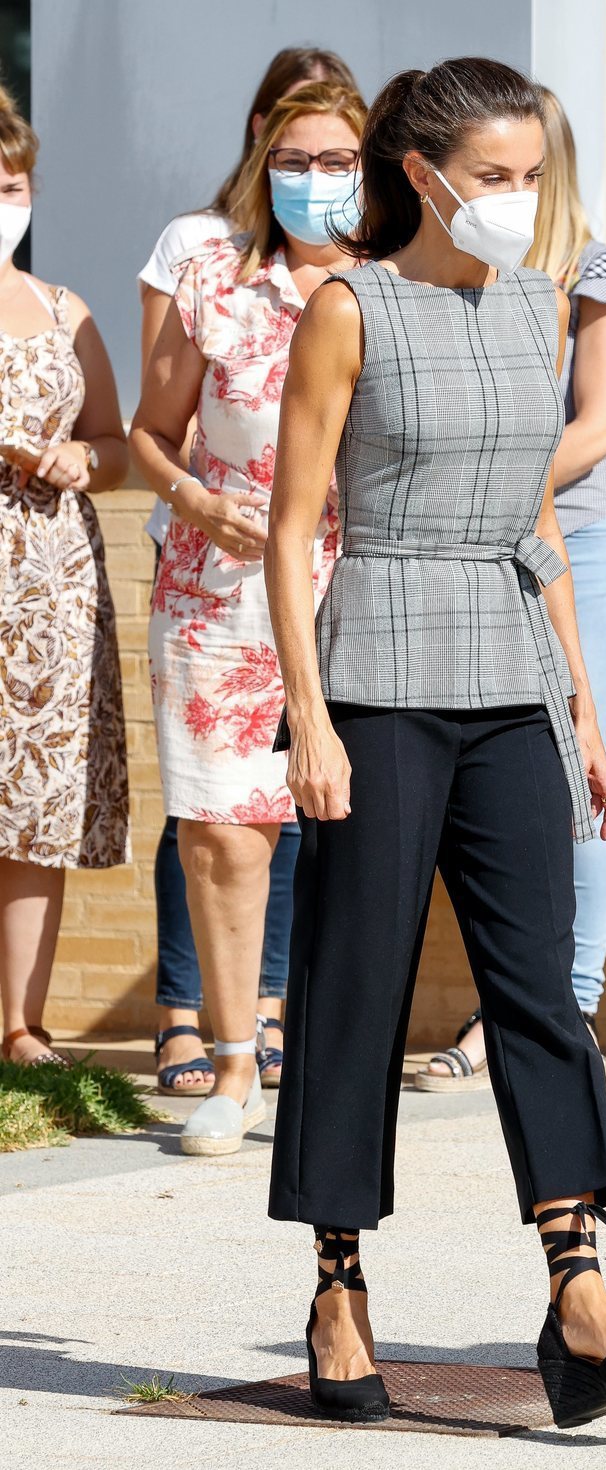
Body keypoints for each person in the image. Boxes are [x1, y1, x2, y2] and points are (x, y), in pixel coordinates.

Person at [264, 57, 606, 1429]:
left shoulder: (529, 310)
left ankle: (580, 1294)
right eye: (495, 178)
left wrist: (581, 699)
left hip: (510, 665)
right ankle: (338, 1282)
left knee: (537, 992)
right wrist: (311, 718)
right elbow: (290, 529)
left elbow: (538, 519)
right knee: (356, 984)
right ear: (422, 176)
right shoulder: (348, 306)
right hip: (378, 670)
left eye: (532, 178)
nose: (519, 201)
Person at [415, 86, 606, 1089]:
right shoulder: (451, 268)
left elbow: (597, 424)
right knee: (491, 787)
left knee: (579, 775)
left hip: (582, 542)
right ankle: (514, 1000)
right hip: (464, 548)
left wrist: (489, 478)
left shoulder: (604, 266)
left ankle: (556, 1011)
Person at [130, 78, 365, 1153]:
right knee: (224, 836)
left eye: (336, 160)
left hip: (355, 585)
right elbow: (148, 432)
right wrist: (193, 498)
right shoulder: (212, 275)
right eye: (296, 158)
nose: (315, 180)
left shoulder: (392, 281)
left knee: (354, 831)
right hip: (218, 596)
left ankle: (326, 1061)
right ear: (260, 163)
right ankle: (232, 1069)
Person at [0, 86, 130, 1064]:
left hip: (48, 586)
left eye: (13, 181)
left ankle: (21, 1027)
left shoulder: (63, 306)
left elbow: (118, 446)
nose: (7, 198)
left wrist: (83, 460)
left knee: (33, 803)